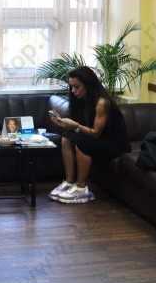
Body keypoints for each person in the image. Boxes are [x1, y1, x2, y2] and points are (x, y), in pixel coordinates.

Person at [47, 67, 129, 204]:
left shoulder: (102, 102)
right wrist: (62, 124)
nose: (73, 91)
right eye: (71, 87)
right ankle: (69, 181)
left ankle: (81, 188)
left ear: (88, 85)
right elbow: (80, 127)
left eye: (77, 87)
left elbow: (95, 133)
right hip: (97, 138)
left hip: (114, 144)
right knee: (66, 137)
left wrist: (76, 126)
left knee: (82, 143)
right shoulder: (80, 100)